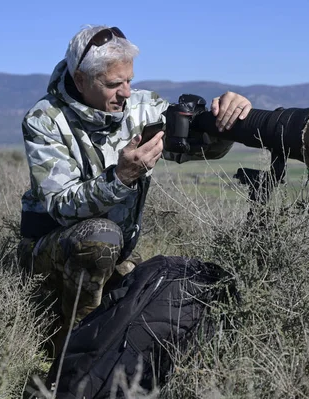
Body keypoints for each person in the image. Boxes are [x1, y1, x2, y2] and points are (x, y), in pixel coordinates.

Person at [17, 25, 252, 354]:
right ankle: (72, 351)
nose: (126, 92)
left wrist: (225, 122)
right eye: (115, 84)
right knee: (101, 236)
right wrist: (122, 176)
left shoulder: (143, 108)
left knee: (155, 286)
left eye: (129, 80)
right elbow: (61, 206)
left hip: (117, 252)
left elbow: (196, 148)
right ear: (81, 80)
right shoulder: (44, 120)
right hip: (49, 249)